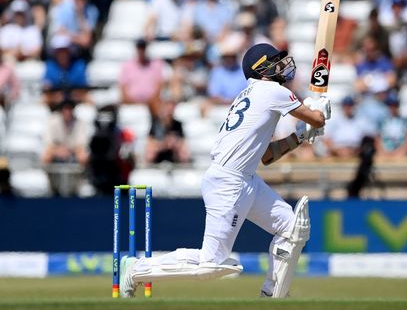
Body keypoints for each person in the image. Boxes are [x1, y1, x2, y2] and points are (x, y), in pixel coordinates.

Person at [118, 43, 329, 298]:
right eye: (275, 61)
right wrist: (319, 110)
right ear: (261, 69)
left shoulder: (256, 95)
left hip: (246, 178)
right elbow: (317, 119)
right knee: (211, 264)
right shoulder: (272, 90)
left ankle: (273, 296)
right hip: (228, 181)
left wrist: (298, 138)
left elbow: (267, 156)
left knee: (293, 228)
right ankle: (137, 268)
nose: (282, 66)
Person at [119, 38, 164, 115]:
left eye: (143, 48)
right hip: (132, 103)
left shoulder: (156, 64)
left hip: (151, 104)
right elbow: (123, 89)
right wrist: (135, 102)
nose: (141, 50)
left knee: (159, 105)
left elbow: (158, 87)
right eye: (139, 48)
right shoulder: (127, 66)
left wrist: (148, 102)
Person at [145, 99, 190, 164]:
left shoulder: (178, 124)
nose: (169, 111)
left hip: (173, 153)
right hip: (159, 153)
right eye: (168, 108)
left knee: (183, 151)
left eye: (171, 109)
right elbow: (150, 141)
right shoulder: (156, 123)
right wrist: (163, 144)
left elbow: (182, 141)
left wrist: (174, 143)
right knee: (150, 151)